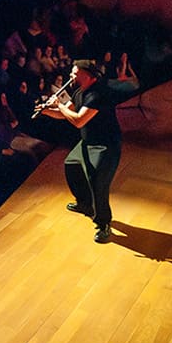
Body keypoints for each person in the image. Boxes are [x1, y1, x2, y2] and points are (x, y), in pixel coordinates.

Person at [37, 59, 121, 243]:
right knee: (71, 165)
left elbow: (78, 121)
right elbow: (65, 113)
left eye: (74, 73)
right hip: (88, 142)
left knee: (98, 182)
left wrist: (58, 105)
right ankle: (85, 204)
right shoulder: (79, 92)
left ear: (87, 75)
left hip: (105, 145)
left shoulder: (98, 94)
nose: (71, 75)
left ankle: (104, 223)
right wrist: (47, 111)